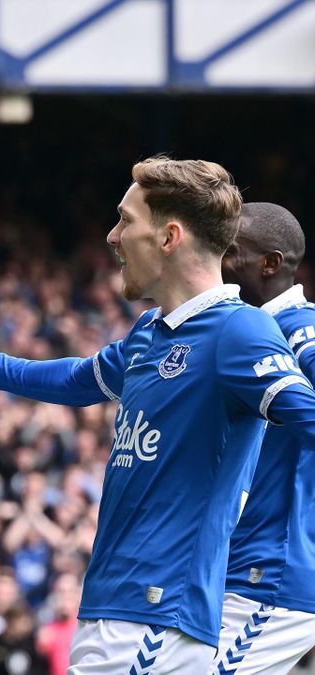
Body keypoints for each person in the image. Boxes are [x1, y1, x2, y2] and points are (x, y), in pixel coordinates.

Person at [0, 158, 315, 672]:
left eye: (126, 220)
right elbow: (80, 379)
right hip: (113, 607)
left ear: (170, 237)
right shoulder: (151, 332)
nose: (112, 236)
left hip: (160, 617)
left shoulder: (241, 333)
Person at [215, 202, 315, 674]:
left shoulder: (301, 331)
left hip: (272, 577)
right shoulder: (238, 331)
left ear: (270, 264)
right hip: (237, 566)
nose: (218, 260)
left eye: (231, 251)